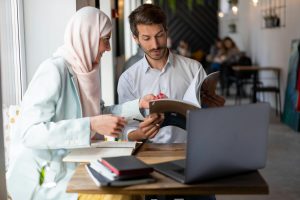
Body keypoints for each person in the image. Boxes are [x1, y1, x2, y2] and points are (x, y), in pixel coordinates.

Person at [6, 7, 161, 200]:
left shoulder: (86, 71)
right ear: (87, 36)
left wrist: (139, 104)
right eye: (106, 39)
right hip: (46, 177)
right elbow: (30, 133)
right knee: (120, 196)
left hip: (78, 164)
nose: (109, 48)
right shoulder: (53, 70)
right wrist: (90, 125)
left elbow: (99, 112)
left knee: (134, 189)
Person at [117, 4, 224, 200]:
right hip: (149, 159)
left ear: (167, 30)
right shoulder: (128, 79)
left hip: (193, 155)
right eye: (146, 38)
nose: (155, 44)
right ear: (135, 38)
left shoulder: (193, 68)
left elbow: (210, 122)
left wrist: (215, 109)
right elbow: (124, 129)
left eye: (159, 35)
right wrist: (139, 133)